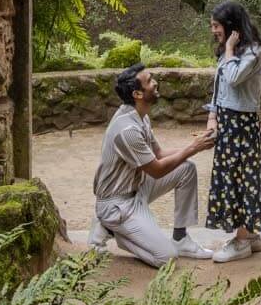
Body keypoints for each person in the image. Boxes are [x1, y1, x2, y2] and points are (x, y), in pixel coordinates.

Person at [89, 63, 215, 266]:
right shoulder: (127, 129)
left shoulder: (140, 115)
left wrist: (195, 144)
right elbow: (156, 170)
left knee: (186, 168)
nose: (155, 82)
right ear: (137, 94)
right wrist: (193, 148)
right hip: (118, 204)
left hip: (136, 188)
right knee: (167, 258)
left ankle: (181, 238)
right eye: (149, 81)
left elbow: (158, 154)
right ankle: (112, 229)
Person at [204, 0, 261, 264]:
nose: (213, 30)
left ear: (231, 26)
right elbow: (220, 83)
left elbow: (233, 77)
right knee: (231, 178)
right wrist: (212, 117)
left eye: (216, 25)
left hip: (241, 125)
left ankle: (242, 240)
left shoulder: (252, 52)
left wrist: (230, 48)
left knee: (243, 179)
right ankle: (250, 235)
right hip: (227, 121)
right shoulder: (230, 51)